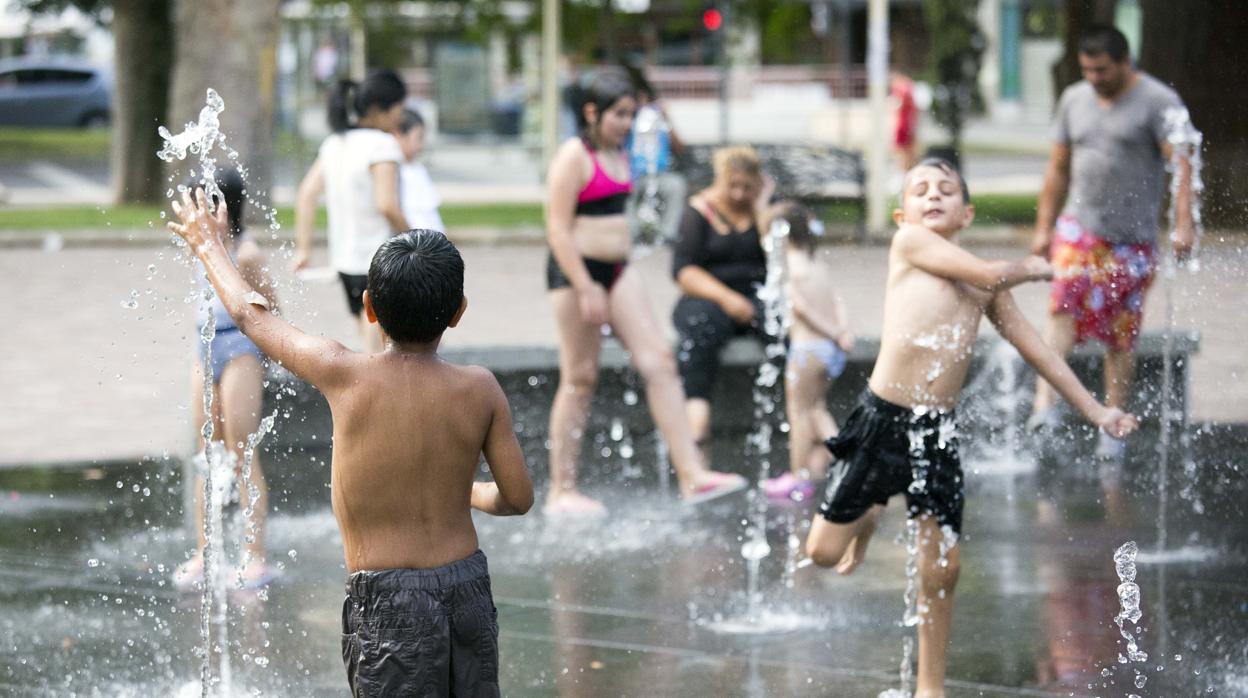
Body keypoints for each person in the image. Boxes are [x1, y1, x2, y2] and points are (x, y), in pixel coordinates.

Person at [169, 193, 534, 696]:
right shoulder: (480, 388)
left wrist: (211, 247)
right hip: (469, 591)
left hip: (387, 603)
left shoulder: (342, 372)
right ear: (458, 313)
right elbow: (517, 499)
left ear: (368, 308)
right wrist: (466, 490)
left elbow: (254, 319)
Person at [804, 159, 1138, 697]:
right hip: (882, 421)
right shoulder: (910, 245)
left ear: (967, 212)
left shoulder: (986, 288)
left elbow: (1041, 354)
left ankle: (930, 687)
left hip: (935, 432)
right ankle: (869, 510)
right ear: (902, 214)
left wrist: (1098, 411)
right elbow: (989, 272)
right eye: (920, 190)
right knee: (821, 553)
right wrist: (1037, 265)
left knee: (943, 567)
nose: (932, 196)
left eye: (946, 190)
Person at [544, 69, 746, 516]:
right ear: (592, 112)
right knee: (580, 377)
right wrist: (584, 286)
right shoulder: (573, 157)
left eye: (631, 115)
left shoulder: (621, 153)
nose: (626, 124)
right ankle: (562, 489)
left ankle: (693, 475)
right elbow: (557, 230)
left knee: (659, 360)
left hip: (617, 270)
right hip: (575, 272)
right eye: (619, 115)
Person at [1029, 25, 1194, 466]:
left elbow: (1182, 163)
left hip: (1131, 242)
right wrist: (1044, 226)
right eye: (1087, 70)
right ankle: (1046, 406)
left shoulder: (1158, 102)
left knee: (1121, 333)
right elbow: (1058, 168)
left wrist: (1183, 224)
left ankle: (1112, 422)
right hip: (1079, 231)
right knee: (1061, 305)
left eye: (1101, 70)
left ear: (1125, 62)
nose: (1094, 78)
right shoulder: (1074, 99)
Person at [172, 169, 277, 592]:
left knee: (241, 451)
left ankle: (255, 556)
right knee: (206, 453)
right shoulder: (201, 245)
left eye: (204, 203)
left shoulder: (247, 254)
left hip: (240, 350)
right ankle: (204, 552)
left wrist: (268, 357)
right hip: (205, 348)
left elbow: (271, 308)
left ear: (224, 207)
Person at [293, 68, 408, 354]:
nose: (401, 116)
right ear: (379, 110)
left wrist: (303, 249)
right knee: (381, 349)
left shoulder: (334, 143)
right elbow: (387, 204)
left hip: (345, 262)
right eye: (399, 109)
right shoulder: (382, 145)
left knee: (368, 335)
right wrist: (416, 237)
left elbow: (307, 194)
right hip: (379, 261)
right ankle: (376, 397)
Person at [671, 145, 774, 455]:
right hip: (708, 296)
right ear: (720, 179)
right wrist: (728, 299)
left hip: (757, 295)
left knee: (784, 326)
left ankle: (796, 415)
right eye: (733, 185)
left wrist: (764, 206)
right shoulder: (699, 212)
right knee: (700, 330)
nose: (740, 194)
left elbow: (785, 258)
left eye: (747, 186)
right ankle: (696, 422)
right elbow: (683, 270)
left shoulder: (764, 210)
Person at [761, 202, 854, 503]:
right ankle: (841, 456)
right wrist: (841, 330)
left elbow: (800, 309)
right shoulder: (817, 266)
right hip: (827, 351)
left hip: (807, 349)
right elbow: (837, 300)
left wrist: (832, 331)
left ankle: (799, 475)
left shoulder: (792, 271)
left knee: (800, 413)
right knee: (816, 408)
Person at [623, 65, 686, 245]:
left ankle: (667, 235)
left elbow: (680, 147)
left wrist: (667, 119)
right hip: (632, 174)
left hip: (659, 175)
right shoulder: (629, 121)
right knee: (625, 189)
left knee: (676, 186)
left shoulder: (658, 120)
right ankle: (633, 234)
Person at [393, 108, 444, 232]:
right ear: (399, 135)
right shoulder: (394, 172)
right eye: (418, 138)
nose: (421, 146)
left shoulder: (418, 170)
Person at [891, 71, 920, 172]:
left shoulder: (902, 90)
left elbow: (898, 105)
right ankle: (909, 170)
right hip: (909, 124)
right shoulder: (910, 90)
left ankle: (904, 171)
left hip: (903, 125)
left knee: (903, 152)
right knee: (909, 152)